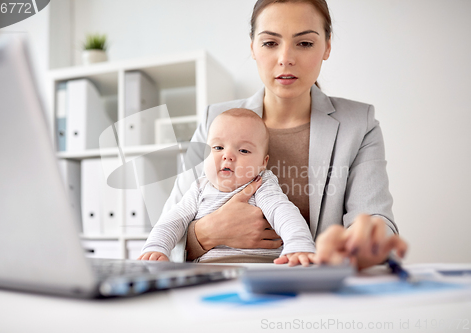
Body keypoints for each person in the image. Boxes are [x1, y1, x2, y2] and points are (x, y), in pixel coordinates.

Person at [160, 0, 408, 269]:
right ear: (252, 47)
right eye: (270, 43)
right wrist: (208, 233)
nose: (286, 58)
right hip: (221, 291)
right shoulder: (214, 121)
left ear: (327, 46)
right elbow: (165, 229)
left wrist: (362, 244)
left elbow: (375, 221)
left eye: (304, 43)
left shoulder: (359, 124)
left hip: (318, 293)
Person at [139, 108, 316, 266]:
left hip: (262, 267)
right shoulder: (199, 188)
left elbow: (282, 211)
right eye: (218, 147)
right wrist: (156, 248)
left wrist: (298, 244)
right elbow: (172, 221)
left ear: (263, 162)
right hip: (208, 271)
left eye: (244, 150)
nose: (228, 156)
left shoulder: (261, 183)